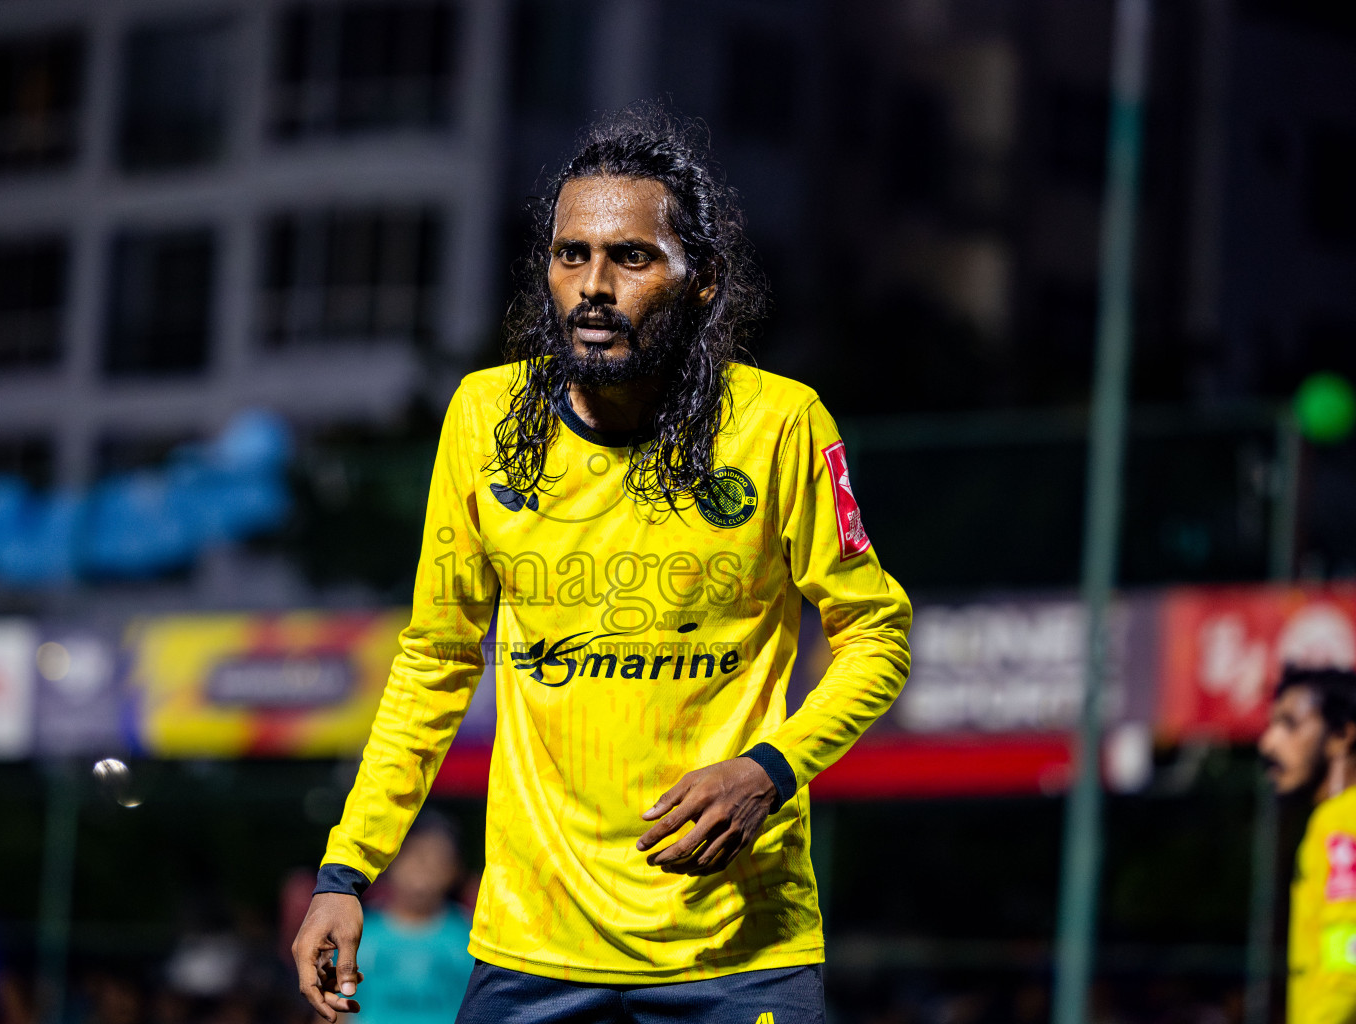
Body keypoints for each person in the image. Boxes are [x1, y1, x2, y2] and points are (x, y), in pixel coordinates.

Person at [293, 104, 913, 1023]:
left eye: (631, 258)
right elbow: (434, 660)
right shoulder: (485, 421)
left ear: (697, 281)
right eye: (570, 254)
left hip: (738, 952)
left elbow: (878, 636)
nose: (593, 285)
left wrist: (770, 770)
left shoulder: (781, 425)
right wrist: (347, 870)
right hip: (532, 949)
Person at [1258, 666, 1356, 1024]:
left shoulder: (1342, 823)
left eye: (1290, 725)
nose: (1268, 743)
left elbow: (1348, 964)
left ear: (1342, 736)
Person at [350, 814, 474, 1024]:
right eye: (415, 855)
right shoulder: (357, 932)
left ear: (454, 869)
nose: (424, 868)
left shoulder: (471, 936)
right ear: (390, 861)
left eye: (438, 859)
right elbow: (335, 1009)